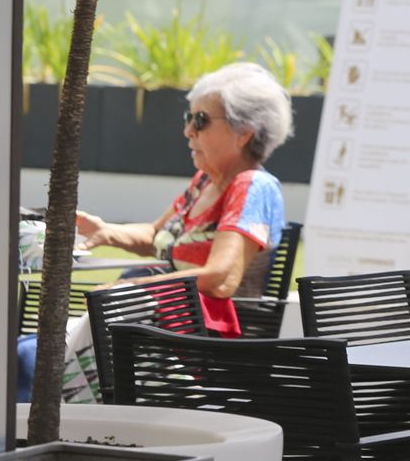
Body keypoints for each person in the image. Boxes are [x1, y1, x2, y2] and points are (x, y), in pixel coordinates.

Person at [73, 61, 291, 335]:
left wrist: (133, 287)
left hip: (201, 341)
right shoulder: (204, 182)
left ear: (244, 134)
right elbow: (157, 234)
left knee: (40, 358)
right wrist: (107, 231)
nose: (188, 131)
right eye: (188, 119)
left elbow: (219, 278)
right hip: (165, 326)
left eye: (200, 120)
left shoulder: (253, 186)